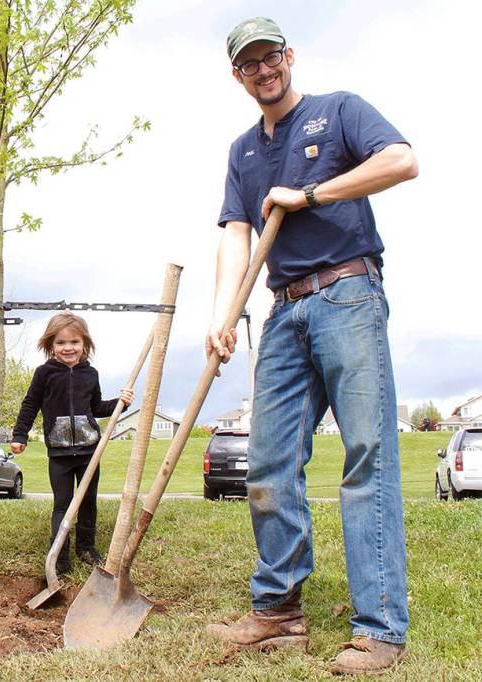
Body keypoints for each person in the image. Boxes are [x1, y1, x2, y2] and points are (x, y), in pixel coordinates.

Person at [205, 17, 418, 675]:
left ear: (289, 57)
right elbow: (236, 236)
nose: (264, 70)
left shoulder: (339, 112)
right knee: (266, 463)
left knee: (366, 458)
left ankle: (380, 628)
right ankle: (278, 612)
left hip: (348, 295)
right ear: (237, 76)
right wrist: (223, 313)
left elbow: (401, 159)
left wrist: (312, 193)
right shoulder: (242, 152)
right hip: (284, 312)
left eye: (271, 57)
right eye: (250, 64)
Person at [10, 313, 133, 574]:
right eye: (61, 343)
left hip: (89, 450)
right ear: (50, 345)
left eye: (74, 342)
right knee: (62, 503)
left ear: (84, 343)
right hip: (59, 453)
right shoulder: (44, 374)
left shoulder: (91, 374)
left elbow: (97, 407)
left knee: (88, 500)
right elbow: (30, 405)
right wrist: (20, 435)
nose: (68, 348)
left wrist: (120, 404)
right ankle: (60, 555)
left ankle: (86, 548)